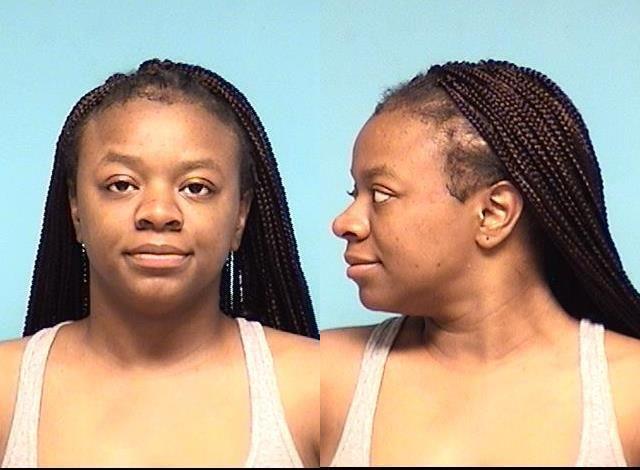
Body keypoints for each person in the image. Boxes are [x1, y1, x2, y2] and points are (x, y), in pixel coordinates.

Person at [0, 59, 319, 467]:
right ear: (75, 208)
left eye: (196, 187)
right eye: (121, 184)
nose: (158, 212)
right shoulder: (7, 390)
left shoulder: (312, 390)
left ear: (240, 215)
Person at [321, 60, 640, 466]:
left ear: (493, 213)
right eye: (355, 193)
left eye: (381, 194)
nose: (345, 223)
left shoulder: (628, 396)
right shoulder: (326, 378)